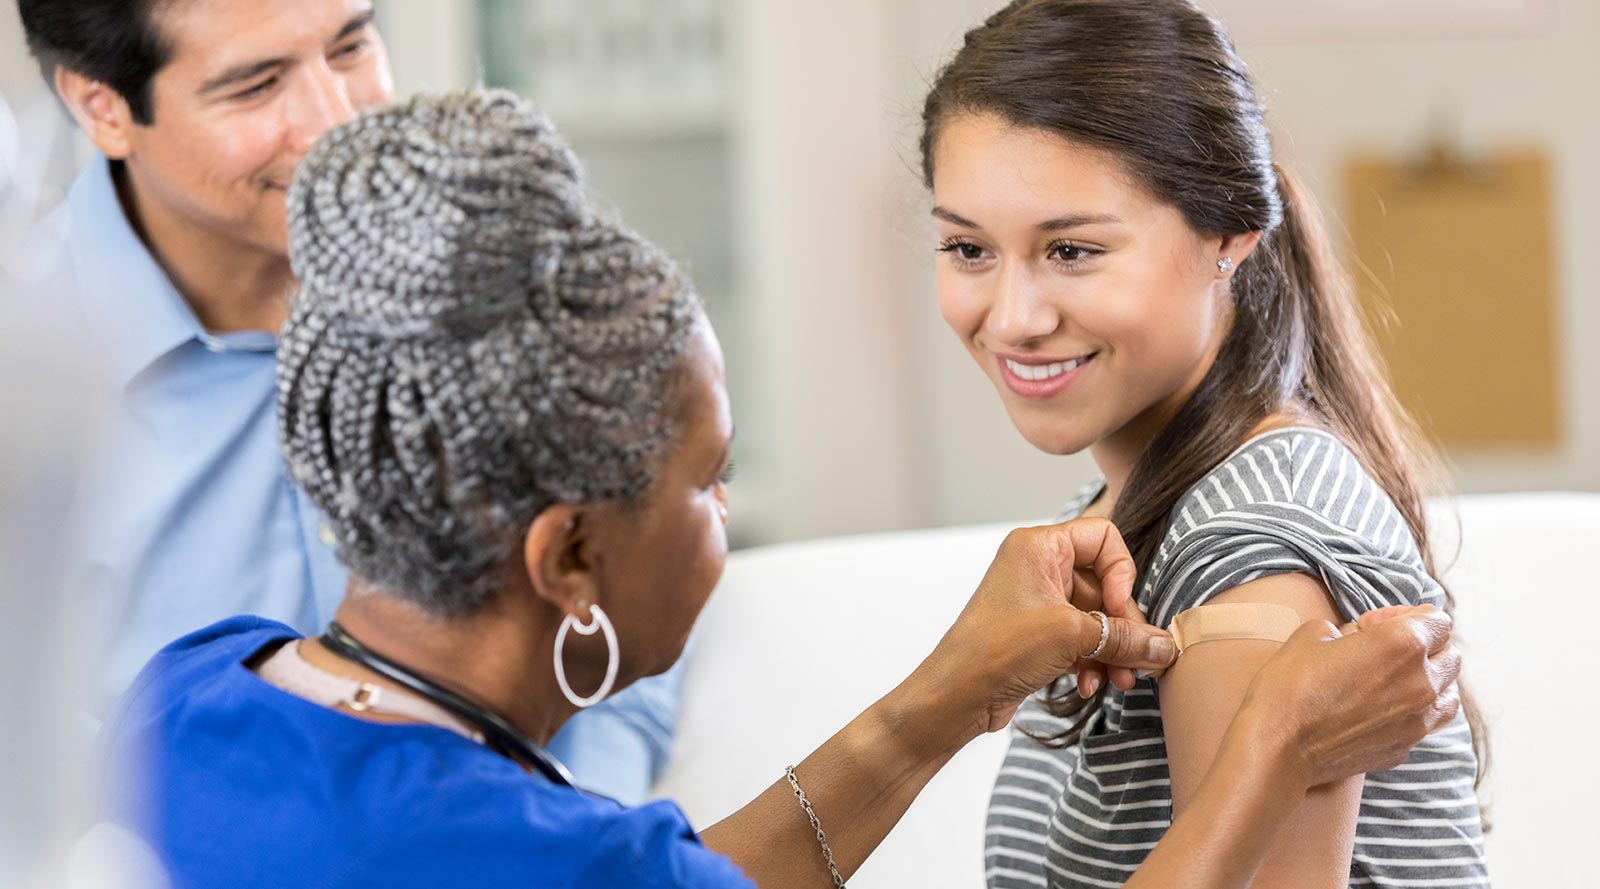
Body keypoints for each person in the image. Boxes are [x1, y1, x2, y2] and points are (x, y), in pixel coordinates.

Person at [96, 89, 1466, 889]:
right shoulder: (535, 858)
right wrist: (1275, 744)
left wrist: (945, 696)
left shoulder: (193, 686)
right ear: (569, 559)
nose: (724, 523)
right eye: (711, 483)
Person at [15, 0, 678, 801]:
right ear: (102, 108)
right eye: (256, 85)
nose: (337, 122)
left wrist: (572, 827)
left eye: (351, 44)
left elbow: (631, 567)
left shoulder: (482, 259)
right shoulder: (31, 393)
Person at [915, 1, 1490, 885]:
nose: (1013, 318)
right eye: (968, 247)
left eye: (1070, 250)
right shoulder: (1133, 512)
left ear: (1229, 236)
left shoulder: (1246, 543)